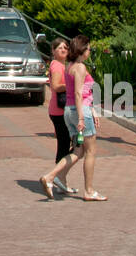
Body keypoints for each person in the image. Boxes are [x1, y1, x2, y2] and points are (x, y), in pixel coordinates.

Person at [47, 35, 106, 201]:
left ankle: (52, 176)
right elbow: (79, 93)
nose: (89, 51)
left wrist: (91, 111)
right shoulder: (79, 67)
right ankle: (89, 191)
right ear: (82, 50)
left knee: (78, 150)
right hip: (80, 112)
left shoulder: (69, 66)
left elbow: (81, 94)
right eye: (88, 48)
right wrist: (82, 117)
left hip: (69, 111)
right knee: (91, 151)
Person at [39, 37, 77, 197]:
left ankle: (61, 180)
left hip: (60, 110)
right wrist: (74, 84)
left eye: (66, 48)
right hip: (59, 110)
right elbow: (54, 86)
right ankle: (55, 177)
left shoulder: (62, 65)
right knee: (69, 145)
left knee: (66, 144)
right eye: (60, 48)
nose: (64, 50)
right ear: (53, 51)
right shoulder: (56, 65)